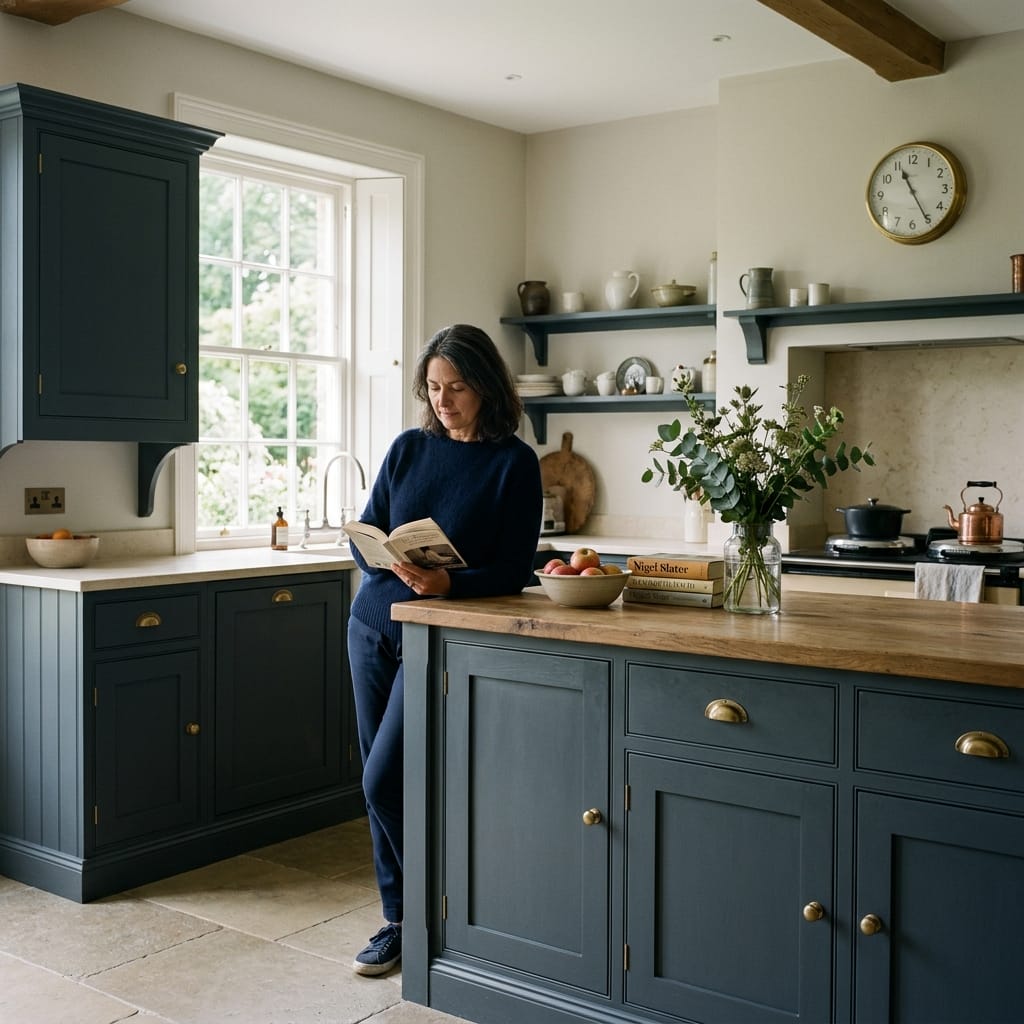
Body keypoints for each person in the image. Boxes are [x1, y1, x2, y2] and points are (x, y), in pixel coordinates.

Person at [346, 323, 543, 976]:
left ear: (485, 387)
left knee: (387, 779)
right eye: (432, 388)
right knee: (375, 780)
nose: (443, 400)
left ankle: (439, 913)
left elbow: (516, 569)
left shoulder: (513, 464)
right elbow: (368, 528)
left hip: (438, 636)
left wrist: (448, 582)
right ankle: (398, 920)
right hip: (371, 623)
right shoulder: (407, 449)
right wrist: (376, 549)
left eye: (456, 387)